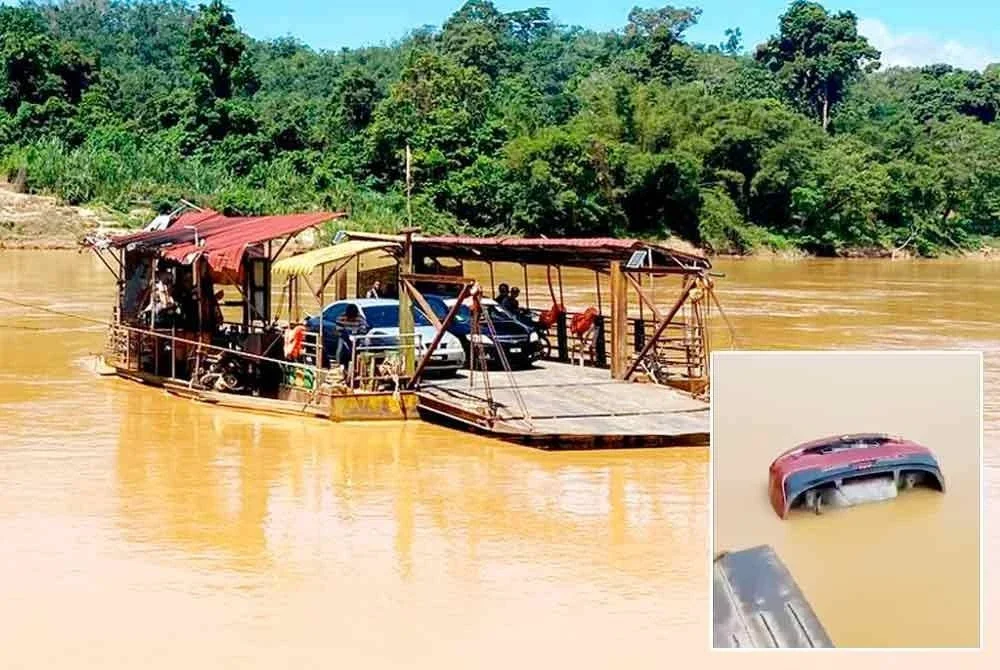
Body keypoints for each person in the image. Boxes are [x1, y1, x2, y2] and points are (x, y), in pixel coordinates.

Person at [334, 303, 368, 369]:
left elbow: (364, 328)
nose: (351, 319)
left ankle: (358, 365)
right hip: (344, 336)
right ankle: (338, 364)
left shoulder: (360, 318)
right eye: (350, 317)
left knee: (361, 349)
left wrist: (358, 334)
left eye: (353, 318)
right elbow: (337, 329)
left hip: (356, 337)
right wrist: (345, 335)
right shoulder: (341, 317)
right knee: (340, 348)